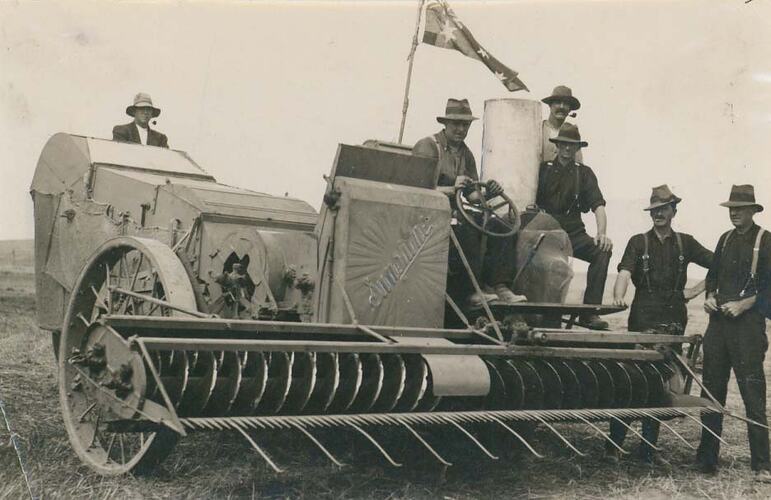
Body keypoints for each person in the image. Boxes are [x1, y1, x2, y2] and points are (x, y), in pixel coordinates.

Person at [607, 185, 713, 464]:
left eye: (663, 209)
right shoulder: (638, 242)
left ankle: (646, 449)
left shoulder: (685, 243)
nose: (658, 215)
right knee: (630, 383)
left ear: (673, 211)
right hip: (642, 320)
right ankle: (613, 446)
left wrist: (696, 290)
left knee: (659, 387)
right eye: (654, 210)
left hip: (673, 324)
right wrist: (618, 296)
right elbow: (624, 272)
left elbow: (720, 264)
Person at [413, 98, 526, 307]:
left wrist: (489, 192)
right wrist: (452, 187)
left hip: (456, 214)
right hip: (427, 215)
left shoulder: (466, 153)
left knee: (500, 225)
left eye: (465, 124)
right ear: (445, 124)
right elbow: (416, 190)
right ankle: (470, 290)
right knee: (467, 227)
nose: (460, 129)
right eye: (456, 123)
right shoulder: (428, 146)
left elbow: (473, 196)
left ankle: (500, 286)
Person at [696, 184, 771, 478]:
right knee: (711, 392)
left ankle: (762, 464)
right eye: (731, 209)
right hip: (718, 328)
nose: (735, 214)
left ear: (753, 210)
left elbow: (769, 289)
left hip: (748, 329)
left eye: (740, 209)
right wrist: (710, 297)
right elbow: (712, 276)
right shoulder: (724, 240)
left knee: (753, 395)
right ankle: (707, 459)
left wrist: (745, 305)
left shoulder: (766, 241)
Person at [535, 123, 611, 329]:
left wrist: (602, 233)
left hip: (574, 232)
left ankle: (590, 312)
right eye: (564, 144)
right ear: (557, 146)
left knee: (602, 251)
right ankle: (538, 314)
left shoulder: (584, 173)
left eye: (572, 146)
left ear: (577, 148)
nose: (567, 149)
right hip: (547, 233)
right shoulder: (543, 170)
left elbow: (598, 205)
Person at [541, 85, 583, 163]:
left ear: (570, 109)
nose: (561, 107)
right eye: (557, 102)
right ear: (550, 105)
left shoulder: (572, 134)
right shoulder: (539, 130)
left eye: (566, 104)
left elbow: (578, 164)